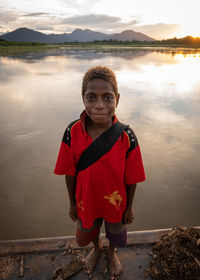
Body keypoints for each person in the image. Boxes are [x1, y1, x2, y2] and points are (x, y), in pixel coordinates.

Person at [54, 65, 146, 280]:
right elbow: (70, 173)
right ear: (82, 98)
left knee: (115, 231)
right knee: (89, 229)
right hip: (86, 200)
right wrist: (72, 202)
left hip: (116, 201)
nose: (99, 105)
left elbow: (132, 178)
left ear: (118, 99)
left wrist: (130, 206)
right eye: (91, 98)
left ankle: (112, 253)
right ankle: (96, 248)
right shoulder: (72, 132)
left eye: (107, 97)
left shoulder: (127, 136)